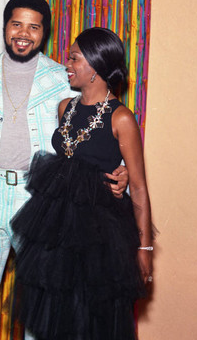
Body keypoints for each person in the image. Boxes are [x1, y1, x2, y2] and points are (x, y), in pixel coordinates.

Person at [0, 0, 129, 339]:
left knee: (43, 307)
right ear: (5, 26)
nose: (24, 33)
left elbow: (101, 128)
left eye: (34, 26)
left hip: (42, 204)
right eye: (16, 24)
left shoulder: (63, 79)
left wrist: (121, 167)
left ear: (44, 32)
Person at [11, 27, 153, 339]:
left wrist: (144, 247)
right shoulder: (65, 107)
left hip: (100, 236)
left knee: (90, 320)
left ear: (95, 67)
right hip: (57, 230)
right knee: (56, 318)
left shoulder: (122, 118)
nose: (68, 64)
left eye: (75, 58)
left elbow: (140, 186)